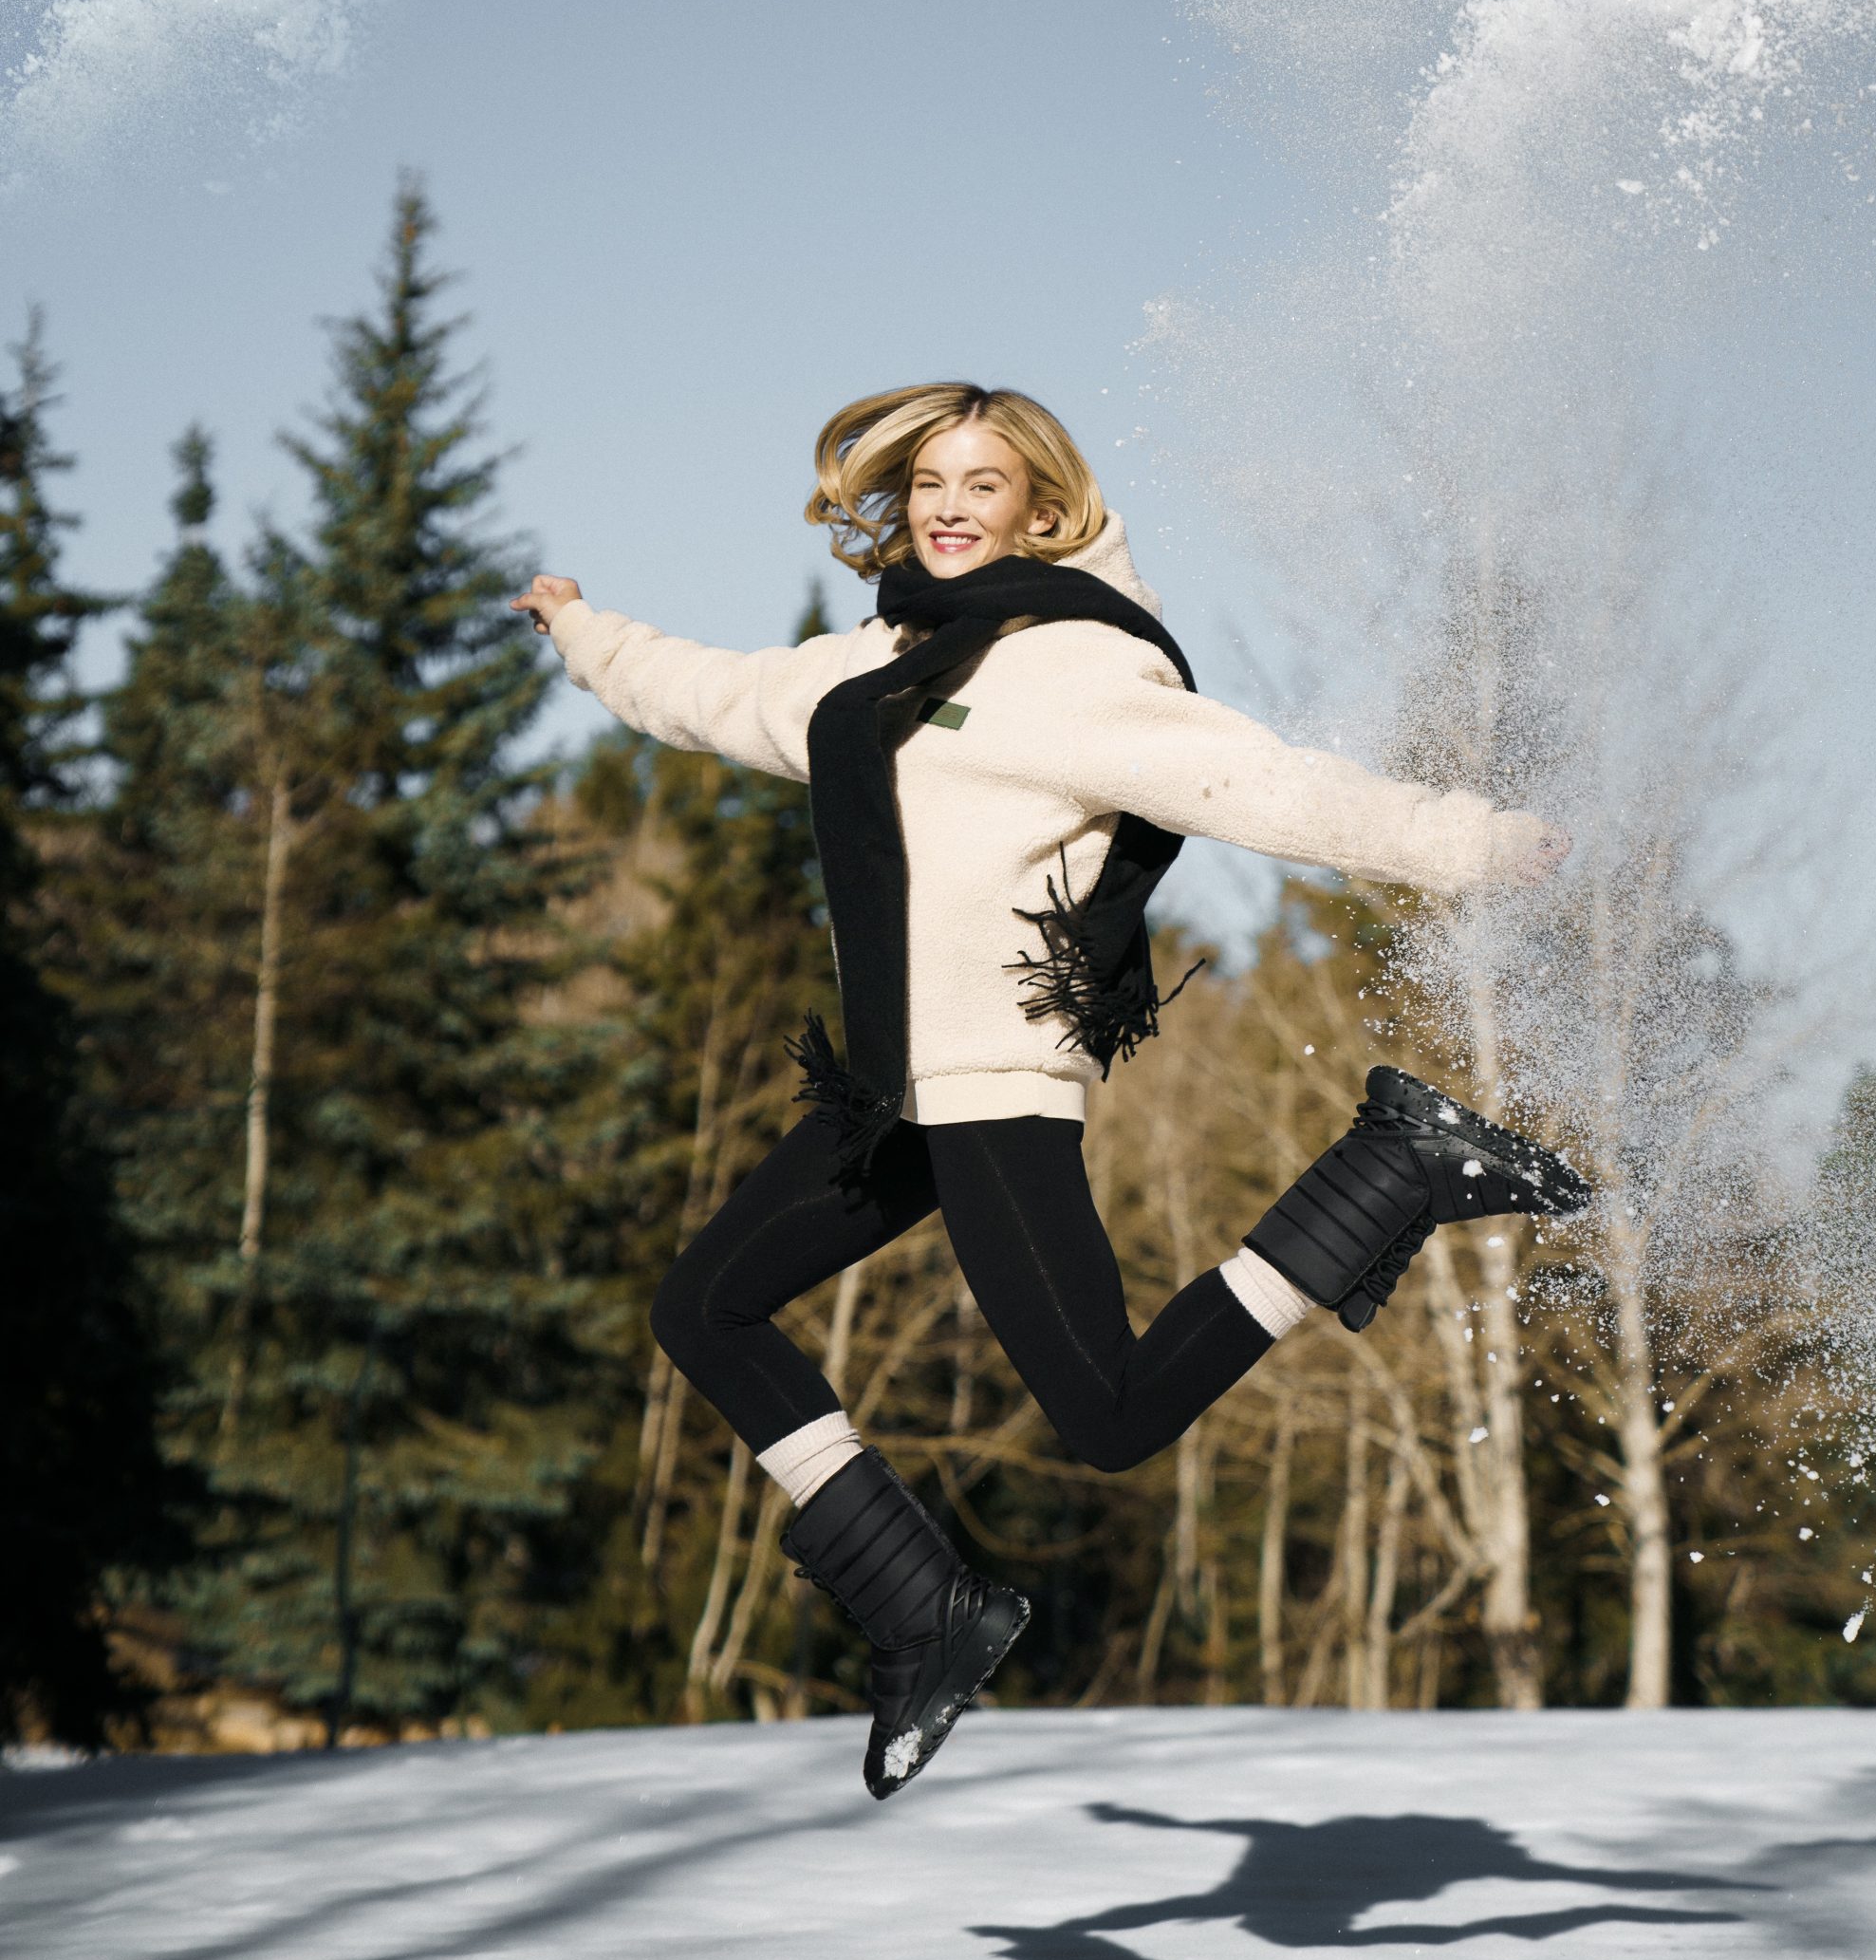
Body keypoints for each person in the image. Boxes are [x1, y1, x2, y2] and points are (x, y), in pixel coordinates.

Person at [511, 383, 1587, 1799]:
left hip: (994, 1084)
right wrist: (583, 633)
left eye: (984, 483)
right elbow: (707, 695)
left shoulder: (1075, 666)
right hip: (895, 1092)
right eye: (930, 484)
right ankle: (923, 1606)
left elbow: (1264, 787)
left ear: (1041, 508)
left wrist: (1464, 842)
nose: (950, 508)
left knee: (1114, 1416)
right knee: (702, 1307)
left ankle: (1391, 1170)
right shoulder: (870, 671)